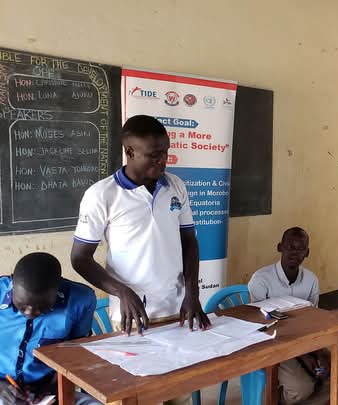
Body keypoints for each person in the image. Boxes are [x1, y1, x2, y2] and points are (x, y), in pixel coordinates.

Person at [71, 115, 208, 405]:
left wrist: (192, 294)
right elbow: (80, 259)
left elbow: (189, 241)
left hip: (176, 308)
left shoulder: (175, 186)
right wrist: (122, 292)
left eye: (165, 153)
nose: (163, 161)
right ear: (130, 151)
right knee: (142, 395)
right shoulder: (102, 195)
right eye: (154, 155)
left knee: (179, 394)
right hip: (134, 316)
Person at [0, 253, 100, 405]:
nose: (30, 313)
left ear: (57, 288)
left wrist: (54, 387)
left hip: (47, 391)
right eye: (21, 304)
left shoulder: (80, 300)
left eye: (42, 307)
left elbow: (76, 352)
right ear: (12, 283)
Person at [248, 227, 326, 404]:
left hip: (303, 339)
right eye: (290, 247)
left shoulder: (311, 280)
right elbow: (262, 327)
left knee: (336, 373)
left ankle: (310, 379)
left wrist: (318, 352)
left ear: (307, 253)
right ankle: (274, 399)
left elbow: (313, 320)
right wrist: (304, 356)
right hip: (272, 344)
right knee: (301, 389)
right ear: (280, 247)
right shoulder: (261, 279)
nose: (295, 252)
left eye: (300, 248)